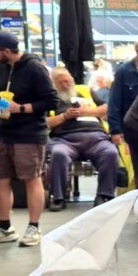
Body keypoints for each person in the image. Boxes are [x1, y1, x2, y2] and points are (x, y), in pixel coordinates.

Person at [0, 30, 57, 247]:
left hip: (29, 134)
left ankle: (34, 227)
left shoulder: (34, 68)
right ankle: (4, 226)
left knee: (32, 178)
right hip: (4, 131)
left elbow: (51, 101)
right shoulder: (3, 67)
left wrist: (20, 108)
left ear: (6, 51)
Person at [45, 66, 119, 211]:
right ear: (53, 83)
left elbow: (106, 108)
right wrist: (65, 116)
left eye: (68, 81)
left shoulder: (86, 90)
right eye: (61, 83)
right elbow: (45, 122)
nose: (66, 85)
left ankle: (104, 195)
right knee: (58, 154)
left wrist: (88, 111)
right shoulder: (49, 98)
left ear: (72, 79)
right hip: (65, 139)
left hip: (96, 137)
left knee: (110, 153)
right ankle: (58, 197)